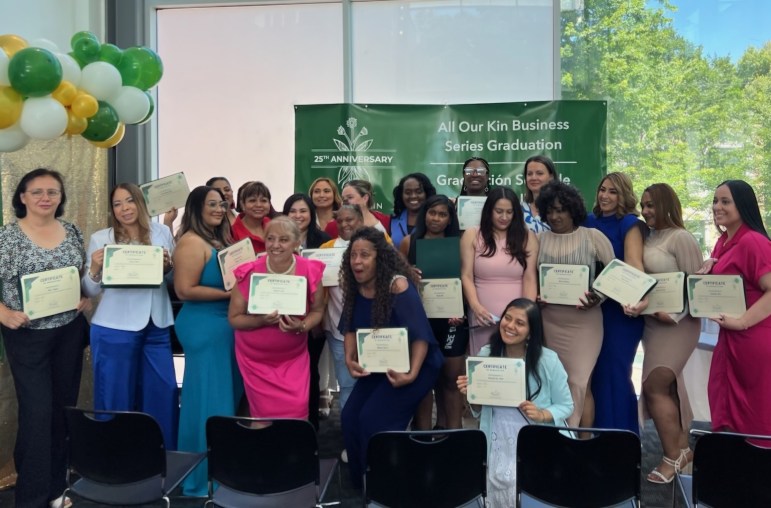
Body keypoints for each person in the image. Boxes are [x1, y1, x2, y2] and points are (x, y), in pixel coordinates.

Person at [0, 168, 89, 508]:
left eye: (52, 192)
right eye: (36, 191)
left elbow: (77, 275)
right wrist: (3, 313)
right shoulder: (6, 237)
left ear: (61, 198)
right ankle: (32, 498)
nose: (45, 198)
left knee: (60, 411)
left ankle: (55, 489)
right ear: (22, 197)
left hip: (68, 331)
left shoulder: (71, 230)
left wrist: (85, 297)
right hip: (27, 336)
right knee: (37, 414)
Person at [339, 227, 444, 488]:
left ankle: (387, 484)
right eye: (353, 255)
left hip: (416, 364)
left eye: (364, 255)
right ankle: (362, 483)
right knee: (350, 418)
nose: (357, 261)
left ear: (380, 258)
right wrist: (349, 360)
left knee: (374, 421)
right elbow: (349, 327)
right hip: (378, 364)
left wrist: (411, 375)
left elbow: (421, 335)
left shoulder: (397, 285)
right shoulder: (353, 283)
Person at [81, 183, 178, 449]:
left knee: (163, 393)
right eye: (117, 204)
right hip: (114, 327)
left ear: (140, 202)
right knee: (116, 399)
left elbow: (171, 281)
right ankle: (116, 462)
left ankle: (160, 460)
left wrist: (169, 266)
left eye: (129, 201)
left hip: (156, 325)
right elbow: (89, 289)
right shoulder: (102, 238)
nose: (124, 208)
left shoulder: (162, 233)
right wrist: (96, 268)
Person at [457, 298, 573, 507]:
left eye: (519, 323)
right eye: (507, 318)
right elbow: (478, 410)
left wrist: (542, 414)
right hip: (496, 433)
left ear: (531, 331)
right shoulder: (486, 355)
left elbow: (566, 405)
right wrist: (470, 394)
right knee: (498, 485)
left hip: (535, 435)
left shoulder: (548, 360)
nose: (510, 326)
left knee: (530, 487)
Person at [173, 186, 243, 496]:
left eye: (222, 203)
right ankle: (200, 478)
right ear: (196, 208)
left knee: (222, 397)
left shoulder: (220, 240)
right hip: (204, 326)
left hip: (224, 324)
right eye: (211, 204)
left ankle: (222, 468)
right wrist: (231, 296)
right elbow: (184, 290)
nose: (218, 208)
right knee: (208, 401)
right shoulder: (190, 242)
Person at [228, 217, 326, 421]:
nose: (275, 245)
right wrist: (261, 321)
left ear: (297, 242)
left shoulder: (309, 270)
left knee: (297, 411)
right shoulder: (249, 271)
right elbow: (234, 318)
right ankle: (263, 453)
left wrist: (302, 325)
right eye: (270, 238)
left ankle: (291, 452)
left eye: (283, 239)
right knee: (262, 416)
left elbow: (317, 311)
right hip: (255, 361)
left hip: (293, 358)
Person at [535, 181, 615, 428]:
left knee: (579, 383)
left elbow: (615, 277)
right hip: (549, 321)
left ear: (573, 210)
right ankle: (570, 441)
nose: (554, 216)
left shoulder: (593, 237)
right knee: (556, 383)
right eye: (549, 210)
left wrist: (597, 297)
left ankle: (575, 442)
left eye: (560, 210)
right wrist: (537, 294)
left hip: (584, 323)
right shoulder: (538, 239)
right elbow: (530, 277)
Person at [638, 183, 703, 483]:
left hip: (679, 323)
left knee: (655, 386)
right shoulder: (648, 236)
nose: (645, 211)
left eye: (651, 205)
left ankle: (673, 455)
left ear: (666, 205)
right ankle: (680, 450)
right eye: (643, 205)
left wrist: (674, 315)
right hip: (652, 323)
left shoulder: (682, 237)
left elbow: (695, 288)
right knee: (667, 389)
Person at [699, 180, 771, 438]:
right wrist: (708, 266)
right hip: (729, 339)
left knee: (755, 414)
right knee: (725, 405)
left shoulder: (754, 242)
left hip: (753, 339)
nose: (717, 207)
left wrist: (741, 322)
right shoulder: (724, 242)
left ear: (743, 205)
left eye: (725, 201)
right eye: (715, 201)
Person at [585, 172, 646, 434]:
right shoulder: (588, 221)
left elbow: (634, 265)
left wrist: (633, 298)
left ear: (624, 195)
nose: (605, 196)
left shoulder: (629, 223)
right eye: (602, 189)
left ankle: (621, 438)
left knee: (615, 373)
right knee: (595, 373)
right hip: (590, 309)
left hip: (620, 310)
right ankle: (596, 435)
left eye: (613, 191)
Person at [400, 195, 467, 430]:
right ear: (424, 214)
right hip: (421, 321)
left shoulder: (460, 243)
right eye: (432, 213)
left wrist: (463, 310)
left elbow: (468, 279)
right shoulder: (410, 242)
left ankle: (454, 433)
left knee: (451, 380)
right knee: (422, 380)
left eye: (442, 214)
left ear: (450, 219)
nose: (436, 219)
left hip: (452, 321)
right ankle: (423, 434)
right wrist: (410, 275)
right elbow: (400, 283)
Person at [461, 187, 538, 356]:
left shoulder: (527, 237)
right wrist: (476, 307)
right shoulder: (472, 234)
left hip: (517, 319)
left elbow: (530, 277)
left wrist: (526, 313)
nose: (504, 217)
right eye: (499, 211)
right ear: (489, 211)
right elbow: (466, 275)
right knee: (485, 367)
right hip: (482, 316)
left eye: (509, 212)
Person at [282, 193, 333, 426]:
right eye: (293, 211)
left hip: (313, 315)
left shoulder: (322, 239)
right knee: (287, 370)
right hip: (283, 316)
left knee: (310, 369)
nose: (298, 215)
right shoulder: (279, 240)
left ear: (311, 214)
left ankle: (310, 424)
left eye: (303, 211)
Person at [318, 205, 366, 413]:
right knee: (347, 387)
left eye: (350, 220)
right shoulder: (326, 249)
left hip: (371, 331)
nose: (345, 224)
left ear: (360, 221)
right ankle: (351, 440)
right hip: (339, 332)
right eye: (340, 221)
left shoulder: (376, 245)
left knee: (371, 387)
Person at [324, 180, 390, 238]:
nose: (345, 201)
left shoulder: (387, 221)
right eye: (343, 199)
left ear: (365, 198)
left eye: (350, 197)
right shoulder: (332, 227)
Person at [390, 172, 436, 249]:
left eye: (419, 192)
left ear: (426, 193)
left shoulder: (435, 220)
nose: (413, 196)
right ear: (401, 195)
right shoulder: (392, 221)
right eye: (408, 192)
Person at [231, 181, 275, 254]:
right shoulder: (232, 233)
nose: (258, 205)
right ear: (242, 204)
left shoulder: (273, 226)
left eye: (263, 200)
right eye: (252, 200)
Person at [521, 155, 556, 233]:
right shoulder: (518, 210)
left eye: (539, 173)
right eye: (529, 174)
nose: (533, 178)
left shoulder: (561, 208)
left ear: (551, 177)